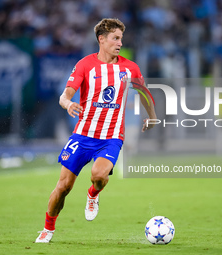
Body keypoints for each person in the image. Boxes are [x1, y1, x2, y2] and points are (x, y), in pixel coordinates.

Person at [35, 18, 157, 243]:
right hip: (82, 135)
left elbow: (144, 93)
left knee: (99, 175)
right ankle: (47, 228)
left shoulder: (130, 68)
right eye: (115, 38)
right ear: (101, 40)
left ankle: (93, 194)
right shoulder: (85, 65)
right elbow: (65, 95)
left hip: (111, 137)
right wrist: (68, 104)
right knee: (63, 187)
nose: (120, 43)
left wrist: (153, 117)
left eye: (121, 38)